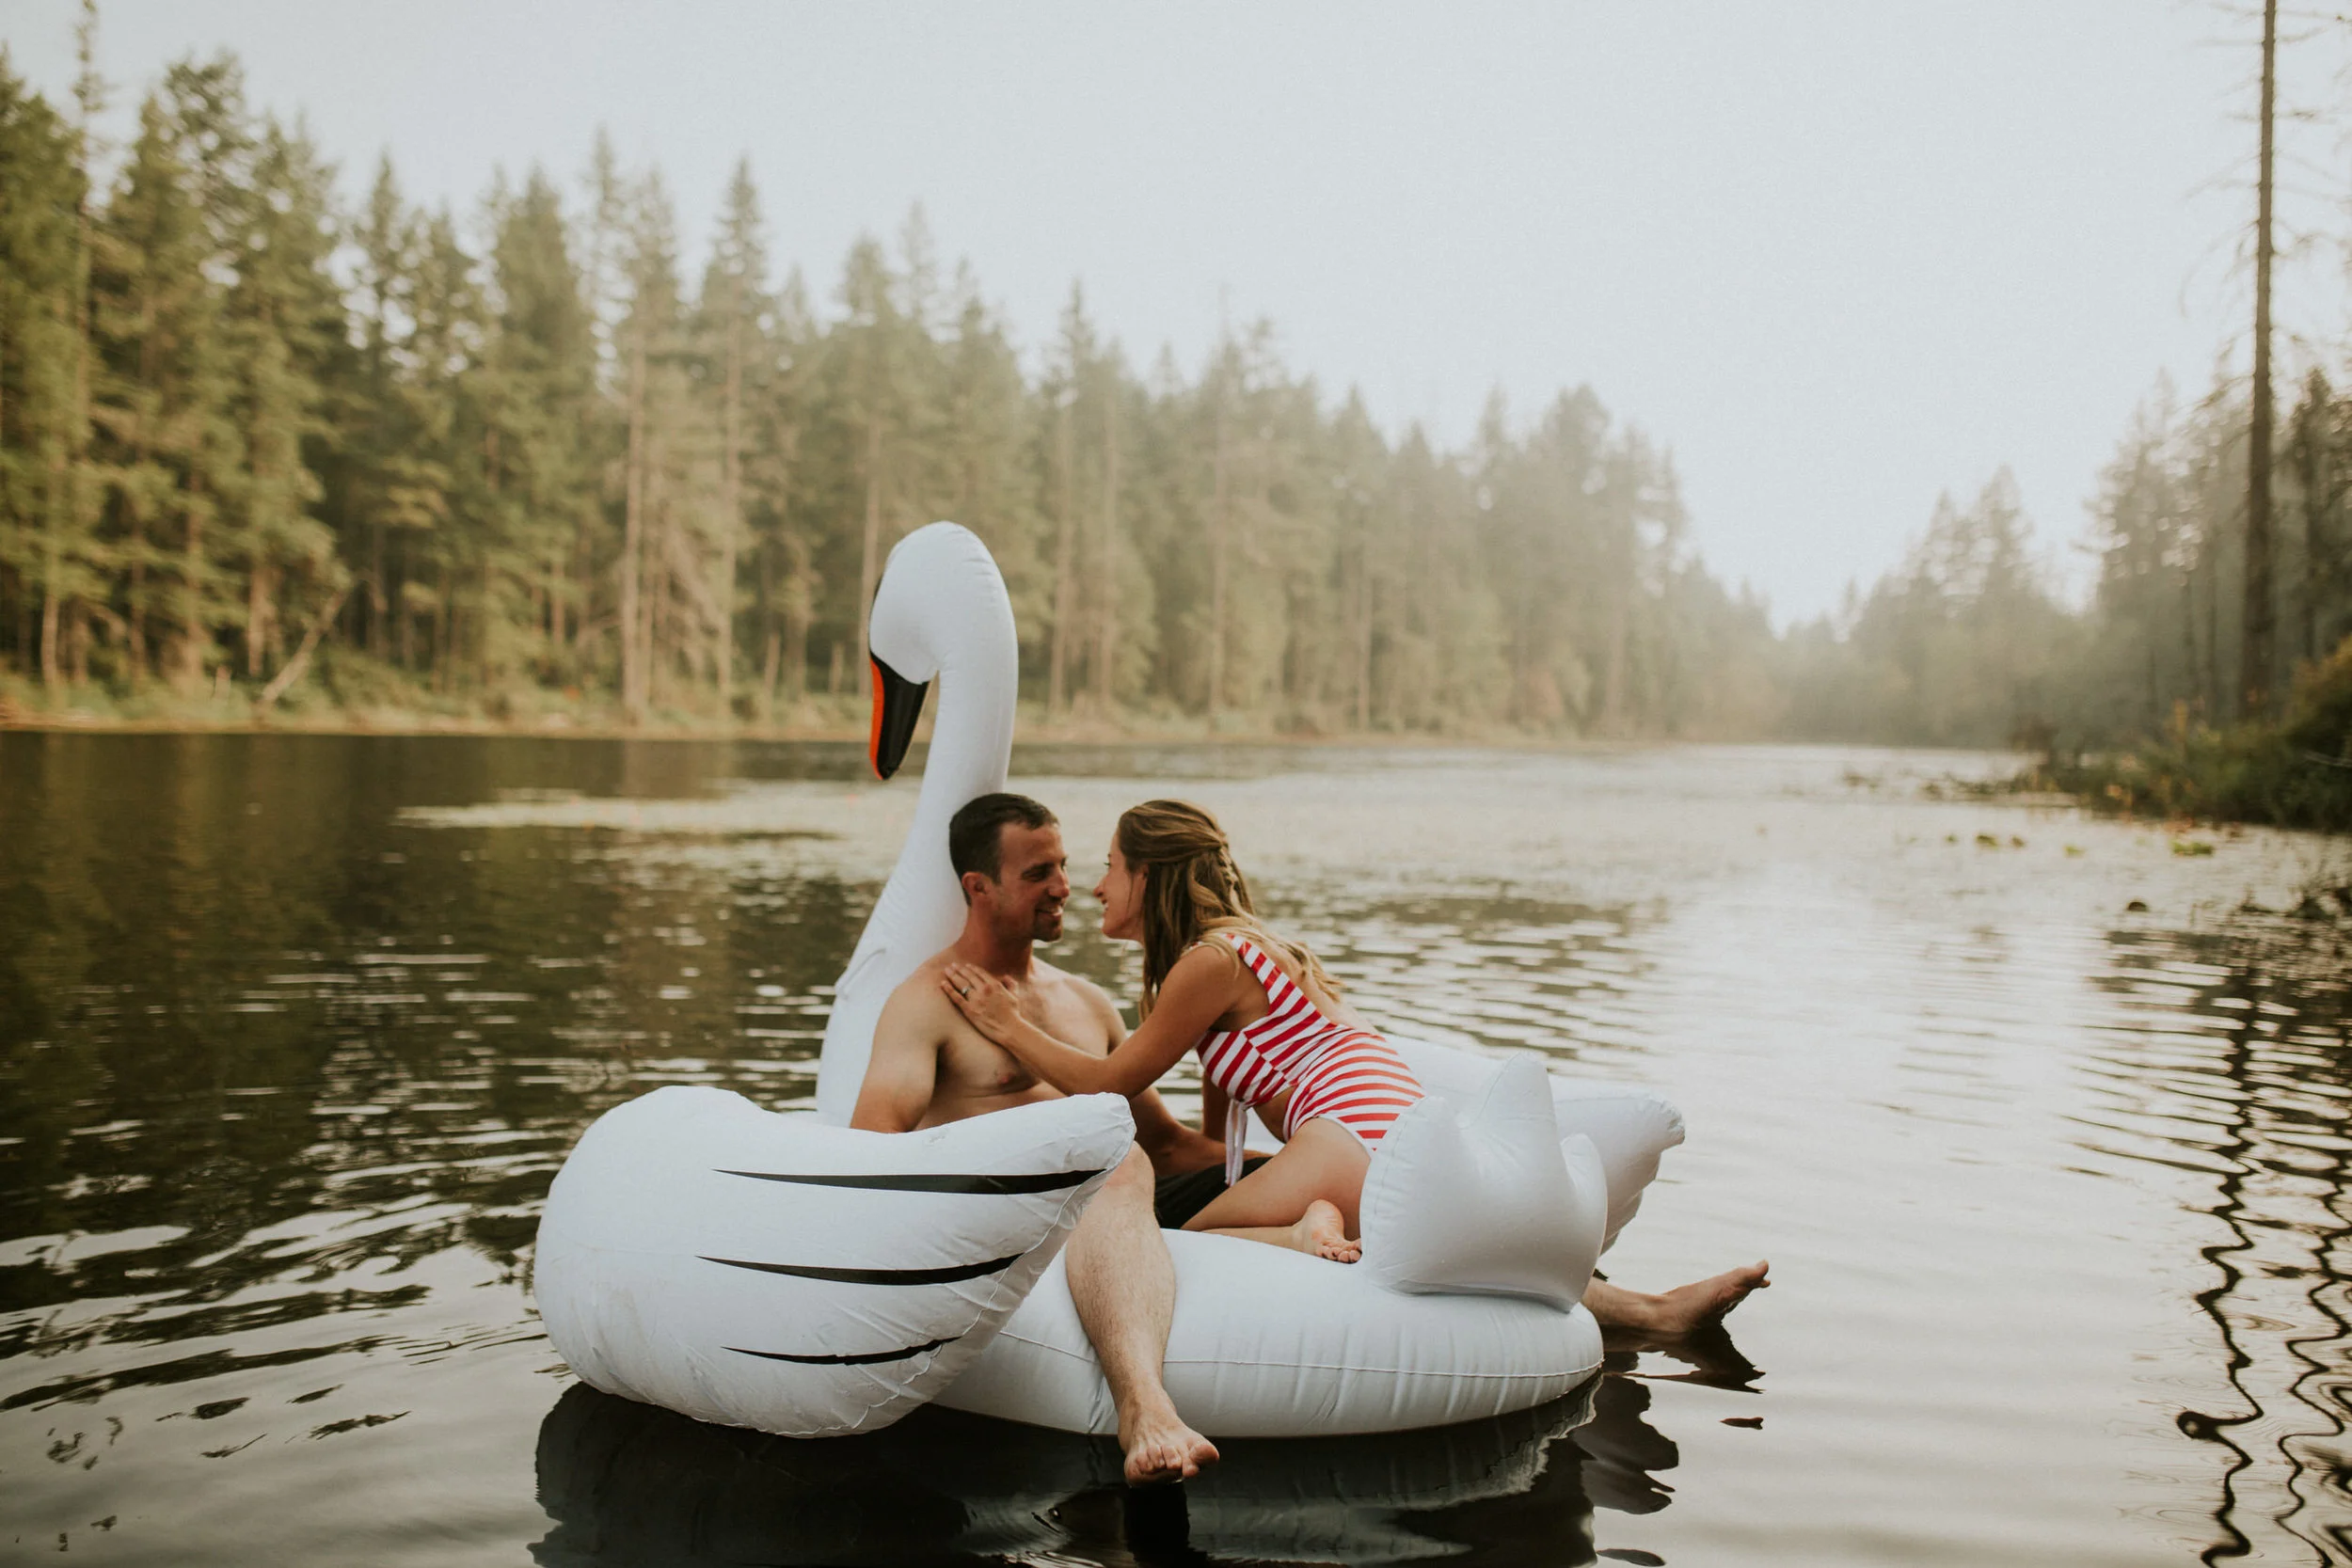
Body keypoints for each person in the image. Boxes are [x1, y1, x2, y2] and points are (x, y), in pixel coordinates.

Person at [851, 793, 1224, 1486]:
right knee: (1111, 1157)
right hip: (1002, 1215)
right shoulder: (928, 1001)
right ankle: (1143, 1407)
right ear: (978, 886)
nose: (1063, 888)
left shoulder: (1085, 1002)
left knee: (1130, 1156)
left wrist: (1274, 1165)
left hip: (1113, 1203)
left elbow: (1169, 1146)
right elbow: (873, 1145)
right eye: (1037, 873)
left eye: (1063, 865)